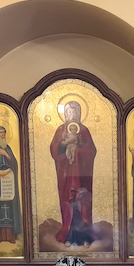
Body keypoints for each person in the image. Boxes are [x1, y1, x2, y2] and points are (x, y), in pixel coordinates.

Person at [50, 100, 97, 246]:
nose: (72, 114)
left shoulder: (84, 131)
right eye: (69, 111)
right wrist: (65, 144)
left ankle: (85, 237)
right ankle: (68, 236)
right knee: (69, 203)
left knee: (82, 203)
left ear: (79, 113)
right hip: (66, 175)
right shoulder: (61, 130)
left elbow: (91, 150)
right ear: (65, 113)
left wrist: (77, 151)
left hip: (82, 176)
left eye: (75, 111)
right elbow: (54, 150)